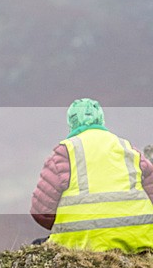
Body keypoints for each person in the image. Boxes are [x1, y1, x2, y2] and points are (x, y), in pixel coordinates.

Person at [31, 99, 153, 252]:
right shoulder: (128, 149)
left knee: (37, 245)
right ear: (101, 120)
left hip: (82, 242)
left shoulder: (65, 153)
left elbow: (41, 211)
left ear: (71, 122)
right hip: (138, 239)